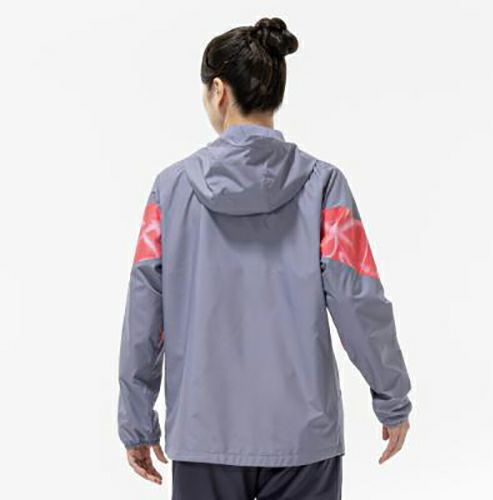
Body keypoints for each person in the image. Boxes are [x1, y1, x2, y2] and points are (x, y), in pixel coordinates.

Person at [117, 17, 412, 500]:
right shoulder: (323, 185)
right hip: (304, 439)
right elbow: (359, 300)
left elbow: (144, 314)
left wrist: (136, 420)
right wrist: (392, 396)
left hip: (203, 434)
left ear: (218, 91)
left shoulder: (171, 190)